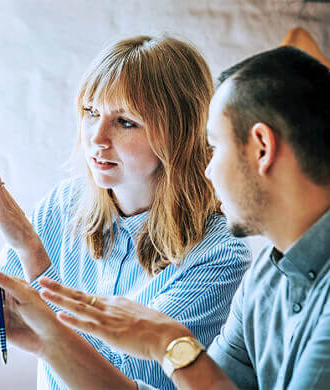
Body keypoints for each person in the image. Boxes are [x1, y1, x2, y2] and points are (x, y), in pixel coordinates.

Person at [0, 35, 250, 389]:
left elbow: (123, 379)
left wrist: (34, 257)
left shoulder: (219, 254)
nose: (97, 138)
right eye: (91, 112)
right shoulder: (63, 207)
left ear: (179, 133)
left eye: (126, 121)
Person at [32, 46, 330, 390]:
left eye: (215, 148)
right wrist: (48, 340)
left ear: (262, 148)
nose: (207, 170)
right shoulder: (264, 279)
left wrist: (168, 342)